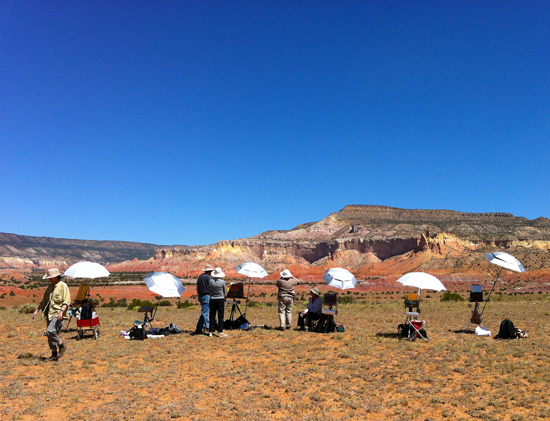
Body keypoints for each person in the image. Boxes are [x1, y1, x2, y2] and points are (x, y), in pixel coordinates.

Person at [32, 268, 71, 361]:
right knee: (51, 334)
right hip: (49, 313)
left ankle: (61, 346)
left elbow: (66, 301)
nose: (50, 279)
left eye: (51, 277)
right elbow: (44, 301)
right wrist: (37, 310)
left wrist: (62, 311)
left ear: (57, 276)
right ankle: (54, 355)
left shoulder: (63, 286)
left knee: (50, 331)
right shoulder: (50, 287)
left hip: (58, 313)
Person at [194, 264, 214, 334]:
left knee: (204, 311)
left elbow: (197, 287)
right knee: (205, 313)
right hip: (207, 296)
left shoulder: (200, 276)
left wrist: (198, 295)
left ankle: (202, 327)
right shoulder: (209, 278)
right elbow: (211, 287)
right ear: (210, 271)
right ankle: (205, 327)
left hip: (201, 296)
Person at [208, 267, 227, 337]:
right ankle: (220, 332)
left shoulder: (211, 281)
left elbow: (209, 290)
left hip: (212, 299)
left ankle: (211, 331)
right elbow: (225, 292)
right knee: (220, 316)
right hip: (220, 299)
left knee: (212, 316)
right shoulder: (222, 282)